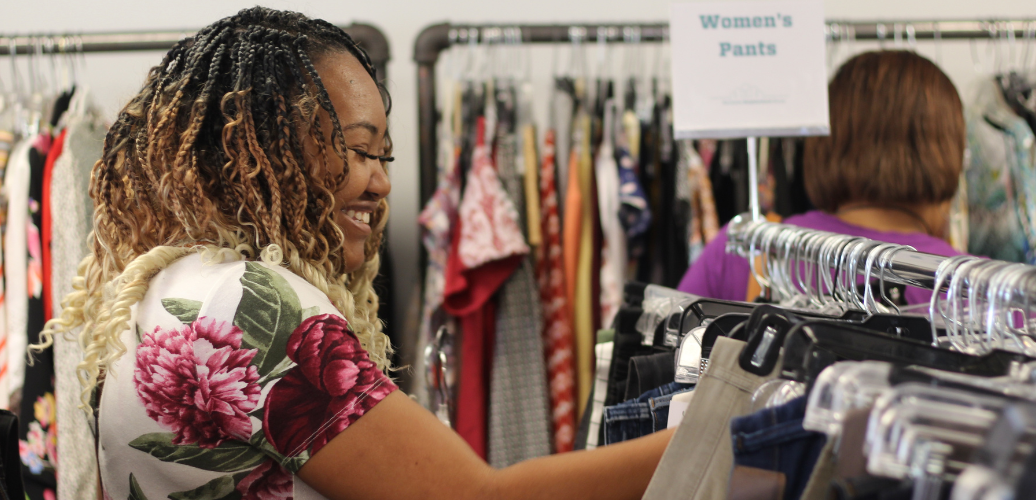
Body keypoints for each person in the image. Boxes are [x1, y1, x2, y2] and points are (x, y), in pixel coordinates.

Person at [39, 7, 671, 500]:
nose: (381, 181)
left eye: (383, 155)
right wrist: (733, 435)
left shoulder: (169, 283)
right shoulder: (254, 303)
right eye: (361, 150)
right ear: (263, 146)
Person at [679, 50, 966, 305]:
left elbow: (671, 353)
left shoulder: (744, 248)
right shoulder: (988, 295)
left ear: (827, 141)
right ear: (947, 150)